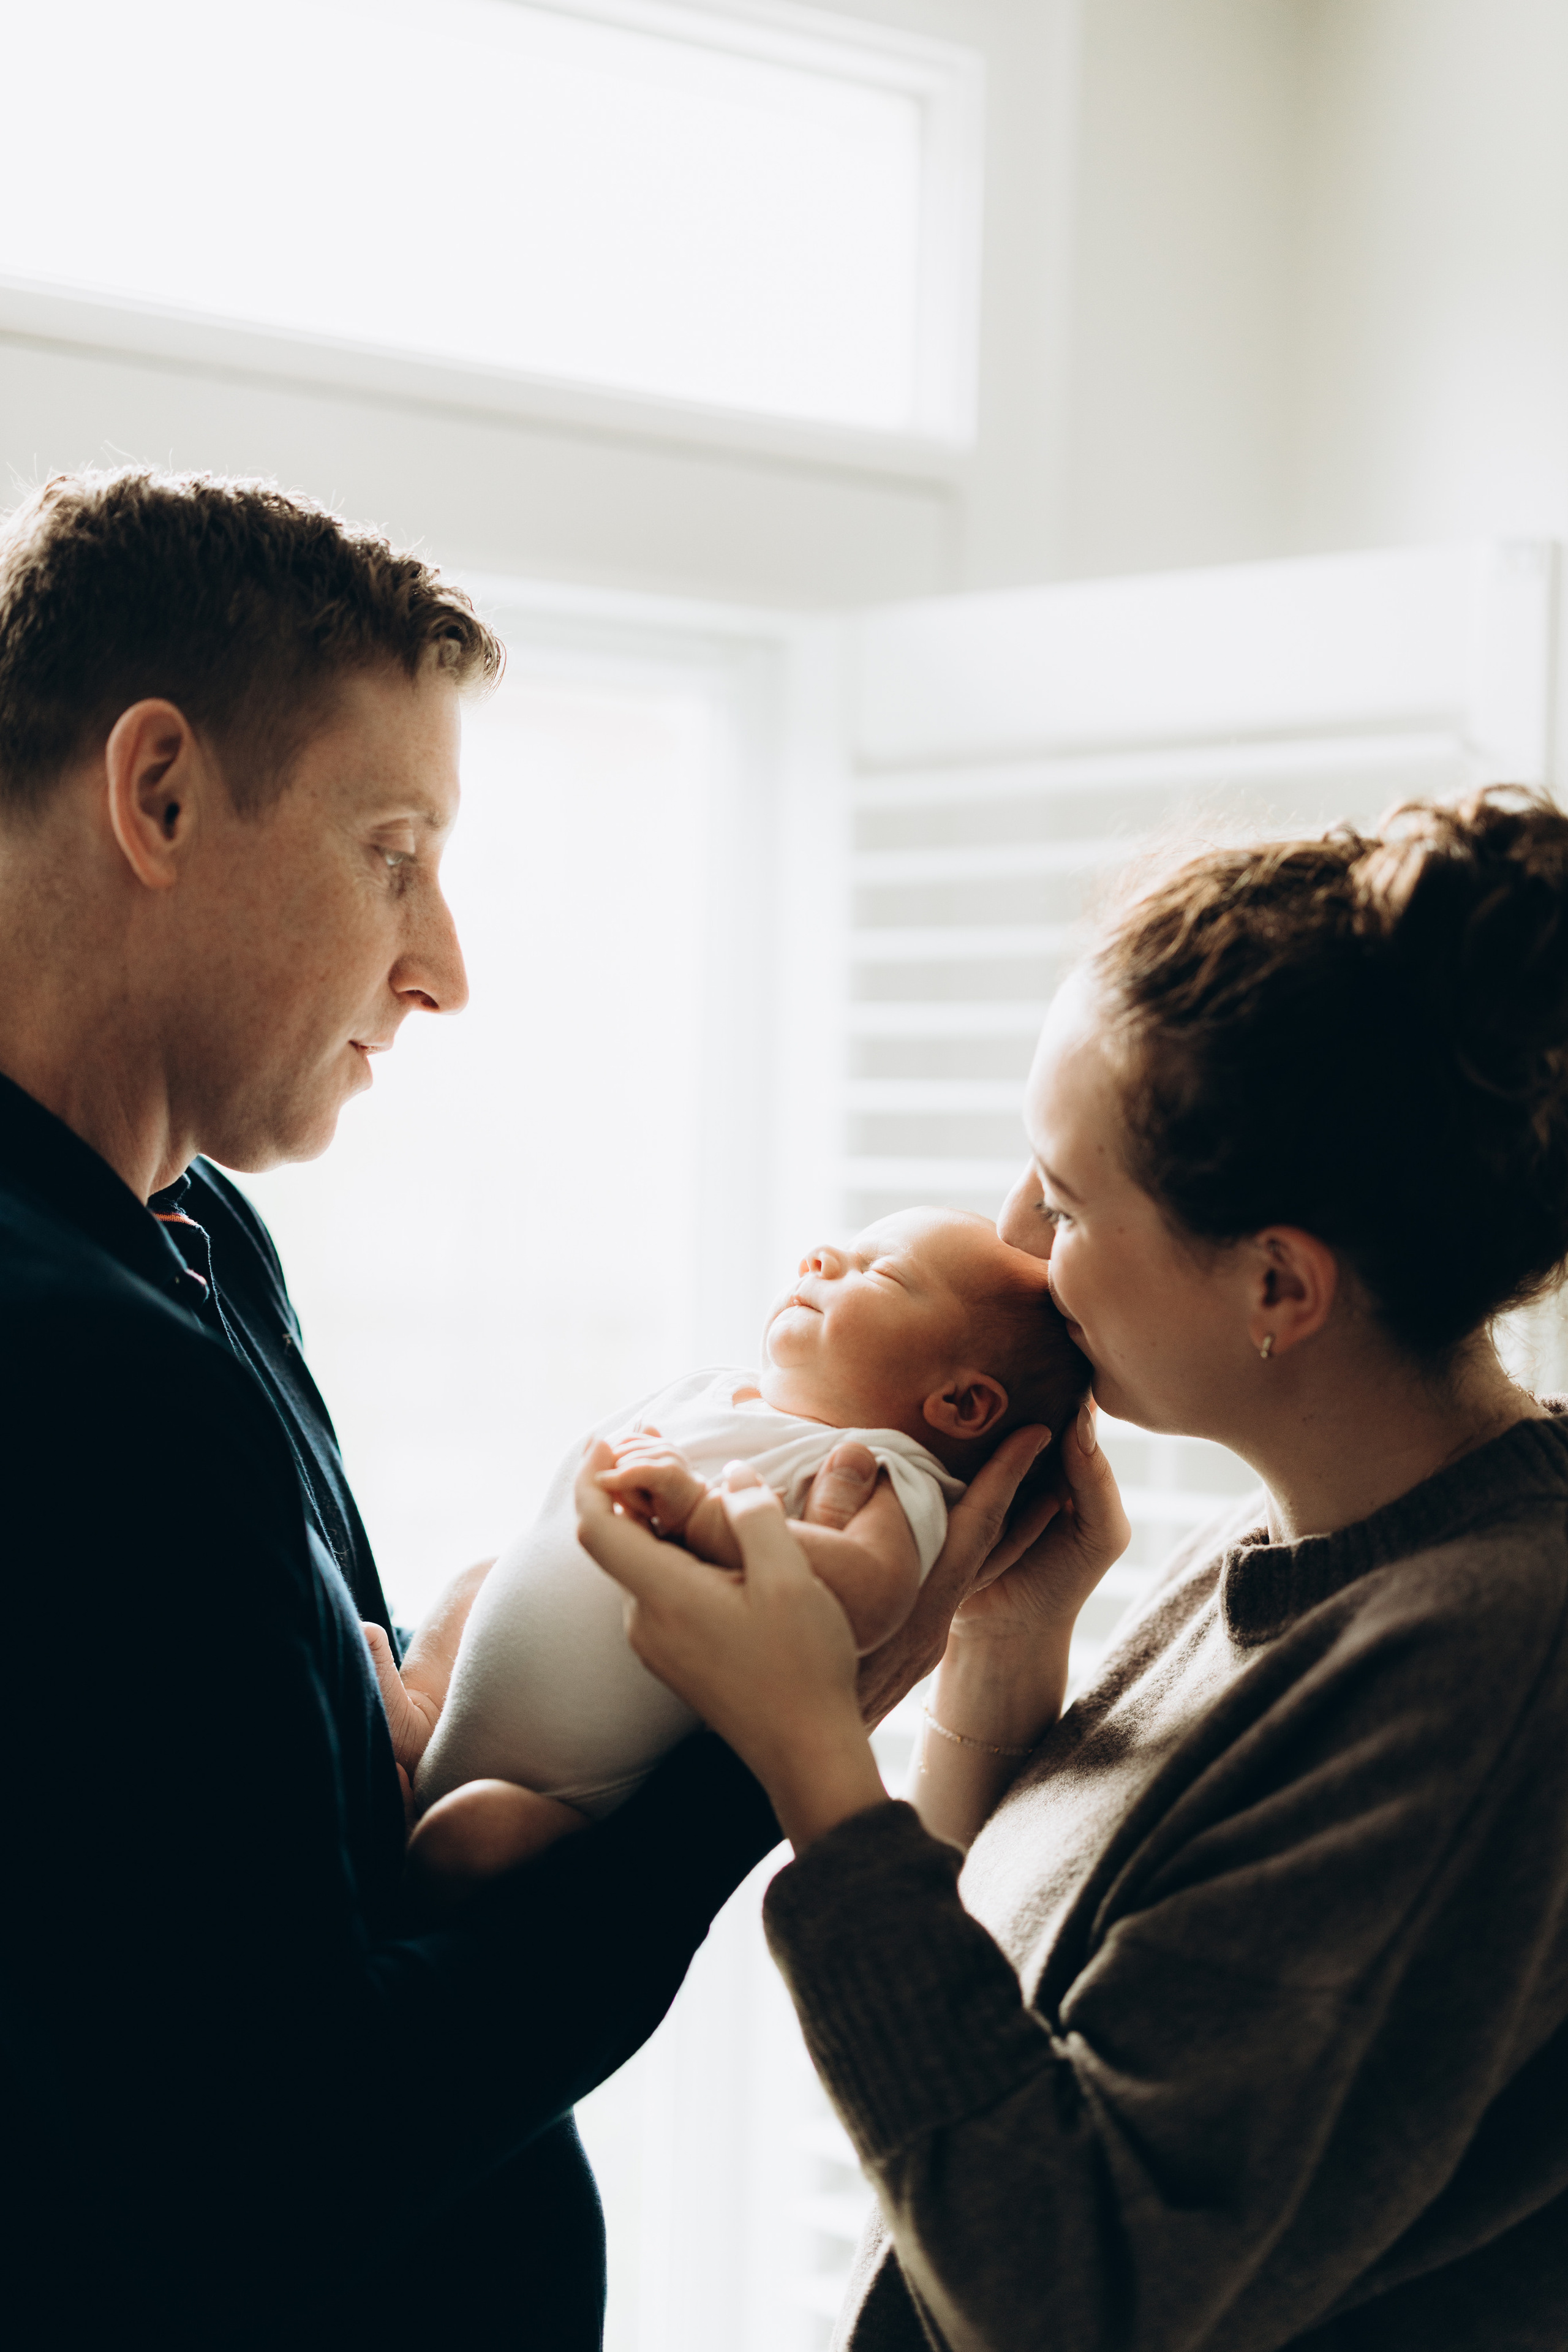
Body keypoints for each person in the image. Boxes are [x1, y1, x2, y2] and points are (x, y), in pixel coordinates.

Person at [0, 467, 1052, 2350]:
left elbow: (303, 1846)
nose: (444, 967)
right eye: (392, 851)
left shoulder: (199, 1231)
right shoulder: (60, 1364)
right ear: (157, 793)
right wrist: (768, 1747)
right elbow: (261, 2171)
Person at [575, 788, 1568, 2349]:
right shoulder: (1276, 1558)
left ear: (1275, 1282)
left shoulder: (1488, 1651)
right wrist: (999, 1660)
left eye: (1068, 1189)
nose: (1017, 1233)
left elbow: (1062, 2284)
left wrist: (812, 1759)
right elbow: (973, 2080)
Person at [404, 1208, 1089, 1888]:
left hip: (562, 1795)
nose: (820, 1256)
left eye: (879, 1273)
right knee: (475, 1579)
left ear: (962, 1403)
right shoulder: (723, 1392)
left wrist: (707, 1517)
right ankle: (424, 1714)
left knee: (469, 1836)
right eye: (843, 1249)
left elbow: (872, 1596)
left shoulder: (888, 1470)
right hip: (486, 1703)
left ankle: (430, 1802)